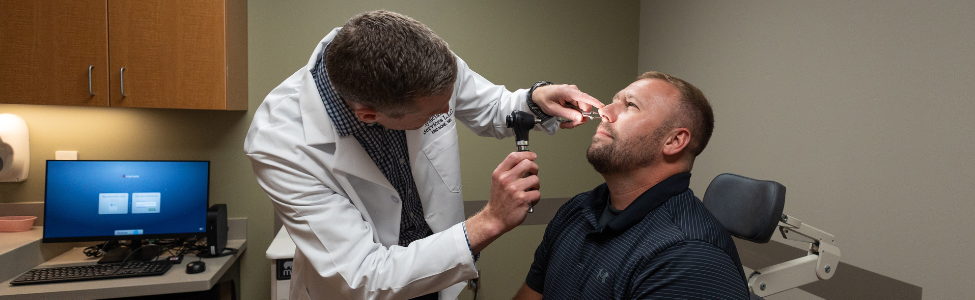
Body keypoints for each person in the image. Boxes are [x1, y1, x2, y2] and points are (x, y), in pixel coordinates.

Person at [244, 10, 603, 300]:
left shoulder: (418, 59)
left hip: (438, 275)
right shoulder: (281, 146)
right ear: (370, 115)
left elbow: (492, 105)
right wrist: (489, 221)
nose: (446, 113)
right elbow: (366, 277)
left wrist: (534, 98)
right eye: (434, 115)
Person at [514, 71, 750, 299]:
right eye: (612, 102)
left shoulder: (689, 257)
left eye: (630, 106)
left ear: (674, 141)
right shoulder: (577, 210)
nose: (604, 112)